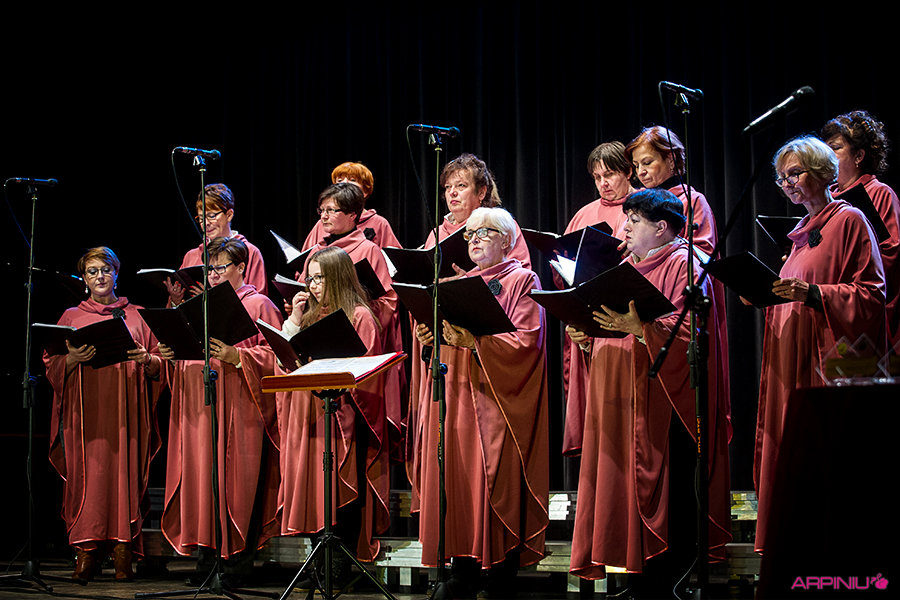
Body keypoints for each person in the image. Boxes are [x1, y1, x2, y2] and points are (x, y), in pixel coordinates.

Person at [566, 189, 732, 598]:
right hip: (620, 399)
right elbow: (612, 326)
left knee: (670, 493)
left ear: (661, 227)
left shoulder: (685, 263)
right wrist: (587, 335)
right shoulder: (624, 267)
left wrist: (641, 329)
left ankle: (666, 582)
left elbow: (690, 330)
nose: (624, 228)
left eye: (634, 221)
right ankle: (638, 580)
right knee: (623, 488)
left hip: (664, 402)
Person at [408, 207, 549, 598]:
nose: (474, 240)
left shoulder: (522, 280)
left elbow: (527, 341)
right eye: (470, 234)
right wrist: (429, 337)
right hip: (455, 395)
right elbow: (441, 339)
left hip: (496, 399)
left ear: (507, 239)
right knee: (456, 479)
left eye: (485, 232)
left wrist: (475, 342)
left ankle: (500, 573)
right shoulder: (455, 283)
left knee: (492, 480)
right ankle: (462, 570)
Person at [754, 136, 885, 554]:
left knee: (821, 459)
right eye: (781, 178)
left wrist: (812, 294)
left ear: (824, 172)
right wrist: (764, 295)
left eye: (795, 173)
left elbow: (872, 295)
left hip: (822, 363)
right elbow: (794, 294)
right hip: (788, 359)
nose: (787, 183)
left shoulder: (849, 220)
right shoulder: (800, 236)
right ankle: (792, 550)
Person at [160, 237, 282, 585]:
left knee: (236, 483)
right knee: (203, 481)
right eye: (209, 269)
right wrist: (172, 355)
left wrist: (237, 356)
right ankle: (207, 562)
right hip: (201, 407)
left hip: (242, 409)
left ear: (241, 267)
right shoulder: (199, 306)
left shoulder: (259, 305)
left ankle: (236, 565)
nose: (213, 275)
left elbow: (277, 355)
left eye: (220, 268)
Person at [44, 247, 161, 582]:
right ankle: (86, 551)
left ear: (116, 273)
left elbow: (160, 362)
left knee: (125, 476)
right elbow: (52, 361)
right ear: (84, 278)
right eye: (92, 271)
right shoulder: (71, 316)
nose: (99, 277)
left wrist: (147, 360)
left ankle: (123, 551)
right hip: (86, 417)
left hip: (126, 415)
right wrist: (72, 359)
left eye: (105, 270)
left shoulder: (137, 315)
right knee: (88, 479)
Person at [276, 247, 390, 587]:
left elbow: (368, 369)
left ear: (338, 277)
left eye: (319, 278)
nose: (312, 286)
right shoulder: (310, 315)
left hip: (342, 416)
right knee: (315, 489)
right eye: (309, 278)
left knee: (339, 486)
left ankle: (338, 566)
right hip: (309, 414)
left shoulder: (359, 315)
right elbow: (285, 361)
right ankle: (318, 565)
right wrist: (294, 321)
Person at [301, 182, 404, 452]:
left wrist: (354, 312)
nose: (324, 216)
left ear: (352, 215)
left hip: (354, 340)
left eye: (331, 210)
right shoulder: (315, 251)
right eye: (321, 210)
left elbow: (389, 301)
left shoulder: (368, 249)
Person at [561, 141, 637, 457]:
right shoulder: (584, 214)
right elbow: (564, 272)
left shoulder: (642, 207)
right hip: (590, 320)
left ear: (628, 171)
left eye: (610, 175)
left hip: (629, 320)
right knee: (599, 424)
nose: (603, 183)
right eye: (597, 177)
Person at [822, 110, 900, 344]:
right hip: (831, 306)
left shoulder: (880, 193)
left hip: (864, 309)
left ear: (858, 156)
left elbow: (890, 253)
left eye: (835, 148)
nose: (827, 155)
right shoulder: (826, 199)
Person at [165, 183, 268, 305]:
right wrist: (176, 300)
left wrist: (214, 301)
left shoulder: (249, 252)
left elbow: (257, 302)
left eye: (211, 216)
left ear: (229, 215)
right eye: (201, 218)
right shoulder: (191, 256)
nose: (206, 223)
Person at [625, 126, 718, 255]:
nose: (640, 172)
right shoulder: (636, 203)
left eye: (647, 163)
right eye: (636, 165)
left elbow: (704, 254)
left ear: (671, 160)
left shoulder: (692, 201)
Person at [302, 162, 402, 250]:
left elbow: (393, 258)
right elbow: (306, 257)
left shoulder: (379, 223)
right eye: (339, 180)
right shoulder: (323, 223)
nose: (344, 184)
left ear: (365, 191)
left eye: (352, 180)